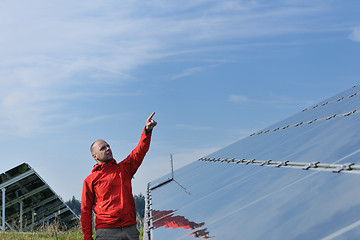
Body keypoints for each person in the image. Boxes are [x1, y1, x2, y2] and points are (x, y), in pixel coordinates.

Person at [81, 112, 157, 240]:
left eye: (108, 146)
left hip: (130, 229)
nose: (108, 149)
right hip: (106, 232)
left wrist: (147, 131)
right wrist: (88, 237)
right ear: (95, 156)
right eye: (103, 148)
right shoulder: (90, 180)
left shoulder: (124, 169)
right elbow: (85, 211)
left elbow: (139, 151)